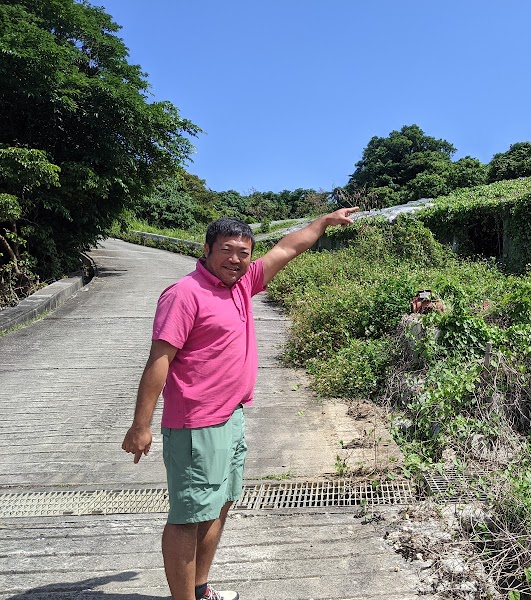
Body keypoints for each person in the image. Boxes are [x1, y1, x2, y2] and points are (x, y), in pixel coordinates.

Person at [121, 207, 359, 600]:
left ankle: (199, 589)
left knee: (220, 505)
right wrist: (140, 425)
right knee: (188, 516)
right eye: (227, 250)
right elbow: (158, 361)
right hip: (195, 422)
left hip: (231, 415)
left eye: (243, 252)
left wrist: (324, 223)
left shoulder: (243, 283)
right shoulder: (184, 294)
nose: (236, 259)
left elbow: (286, 249)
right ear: (207, 249)